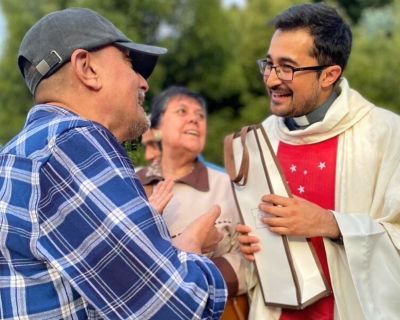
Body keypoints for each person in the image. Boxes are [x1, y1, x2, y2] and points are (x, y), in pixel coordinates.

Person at [0, 7, 228, 319]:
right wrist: (192, 243)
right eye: (130, 62)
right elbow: (175, 307)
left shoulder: (16, 155)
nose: (143, 83)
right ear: (87, 68)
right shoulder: (74, 144)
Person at [235, 2, 400, 320]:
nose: (270, 80)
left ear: (330, 74)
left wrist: (330, 224)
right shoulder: (259, 140)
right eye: (268, 64)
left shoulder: (387, 135)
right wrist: (246, 244)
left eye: (287, 67)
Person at [137, 86, 249, 319]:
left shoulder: (231, 187)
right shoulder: (128, 182)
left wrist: (196, 278)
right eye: (181, 111)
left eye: (200, 116)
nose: (194, 120)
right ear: (156, 128)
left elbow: (251, 260)